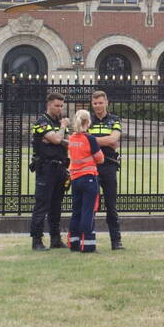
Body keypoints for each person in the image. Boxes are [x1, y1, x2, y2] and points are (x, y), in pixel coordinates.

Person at [29, 92, 70, 251]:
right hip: (46, 168)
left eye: (61, 106)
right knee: (42, 205)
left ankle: (55, 239)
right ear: (49, 105)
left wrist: (56, 138)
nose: (59, 108)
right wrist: (60, 133)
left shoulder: (58, 122)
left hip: (60, 167)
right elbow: (58, 140)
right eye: (56, 105)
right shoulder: (41, 121)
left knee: (56, 206)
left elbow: (66, 142)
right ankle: (37, 240)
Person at [88, 90, 124, 250]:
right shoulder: (87, 120)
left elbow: (114, 139)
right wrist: (107, 141)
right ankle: (89, 241)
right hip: (91, 166)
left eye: (100, 103)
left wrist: (93, 140)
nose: (97, 106)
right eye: (95, 103)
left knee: (111, 205)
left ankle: (116, 241)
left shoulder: (114, 119)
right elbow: (83, 140)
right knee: (91, 205)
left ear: (106, 102)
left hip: (109, 166)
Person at [67, 109, 104, 253]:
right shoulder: (90, 139)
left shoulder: (72, 138)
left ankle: (74, 243)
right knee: (88, 211)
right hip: (88, 177)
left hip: (75, 179)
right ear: (87, 122)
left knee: (76, 211)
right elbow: (100, 158)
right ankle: (87, 244)